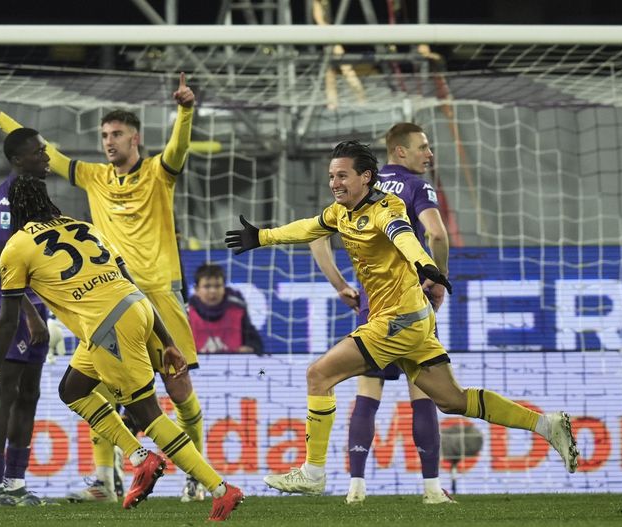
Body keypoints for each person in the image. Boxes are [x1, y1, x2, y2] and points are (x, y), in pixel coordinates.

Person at [225, 140, 579, 496]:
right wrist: (263, 236)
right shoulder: (340, 212)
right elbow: (309, 227)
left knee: (319, 374)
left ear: (366, 177)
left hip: (398, 320)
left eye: (342, 176)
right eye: (332, 176)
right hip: (412, 319)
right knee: (452, 400)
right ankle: (545, 425)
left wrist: (425, 263)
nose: (335, 183)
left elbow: (403, 235)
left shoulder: (386, 207)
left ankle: (313, 473)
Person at [0, 74, 208, 502]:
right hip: (107, 298)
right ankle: (104, 481)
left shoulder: (158, 173)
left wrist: (186, 110)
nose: (108, 141)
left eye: (116, 134)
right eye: (104, 135)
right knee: (96, 390)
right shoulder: (94, 176)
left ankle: (196, 475)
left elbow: (178, 149)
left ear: (135, 138)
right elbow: (44, 151)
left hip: (157, 296)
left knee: (178, 391)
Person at [0, 176, 244, 521]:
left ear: (16, 207)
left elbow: (9, 320)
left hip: (107, 325)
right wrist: (167, 341)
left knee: (148, 414)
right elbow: (130, 282)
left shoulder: (17, 246)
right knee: (72, 389)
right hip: (136, 309)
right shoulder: (84, 228)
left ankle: (220, 489)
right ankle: (140, 458)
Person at [308, 123, 451, 505]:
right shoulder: (416, 187)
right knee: (422, 393)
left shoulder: (359, 187)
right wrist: (438, 278)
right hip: (409, 306)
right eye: (423, 147)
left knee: (367, 395)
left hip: (372, 309)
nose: (429, 154)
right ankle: (432, 490)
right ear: (400, 151)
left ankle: (355, 487)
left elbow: (317, 237)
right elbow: (436, 234)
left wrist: (340, 285)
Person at [0, 128, 51, 506]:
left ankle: (16, 482)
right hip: (5, 305)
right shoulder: (4, 203)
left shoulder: (38, 198)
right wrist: (32, 315)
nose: (47, 156)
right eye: (39, 151)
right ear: (19, 160)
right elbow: (3, 265)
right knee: (6, 391)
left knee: (30, 393)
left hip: (36, 304)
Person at [188, 264, 264, 355]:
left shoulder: (237, 308)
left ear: (224, 288)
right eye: (207, 286)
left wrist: (250, 348)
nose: (213, 291)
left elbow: (256, 343)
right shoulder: (187, 312)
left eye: (217, 286)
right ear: (196, 289)